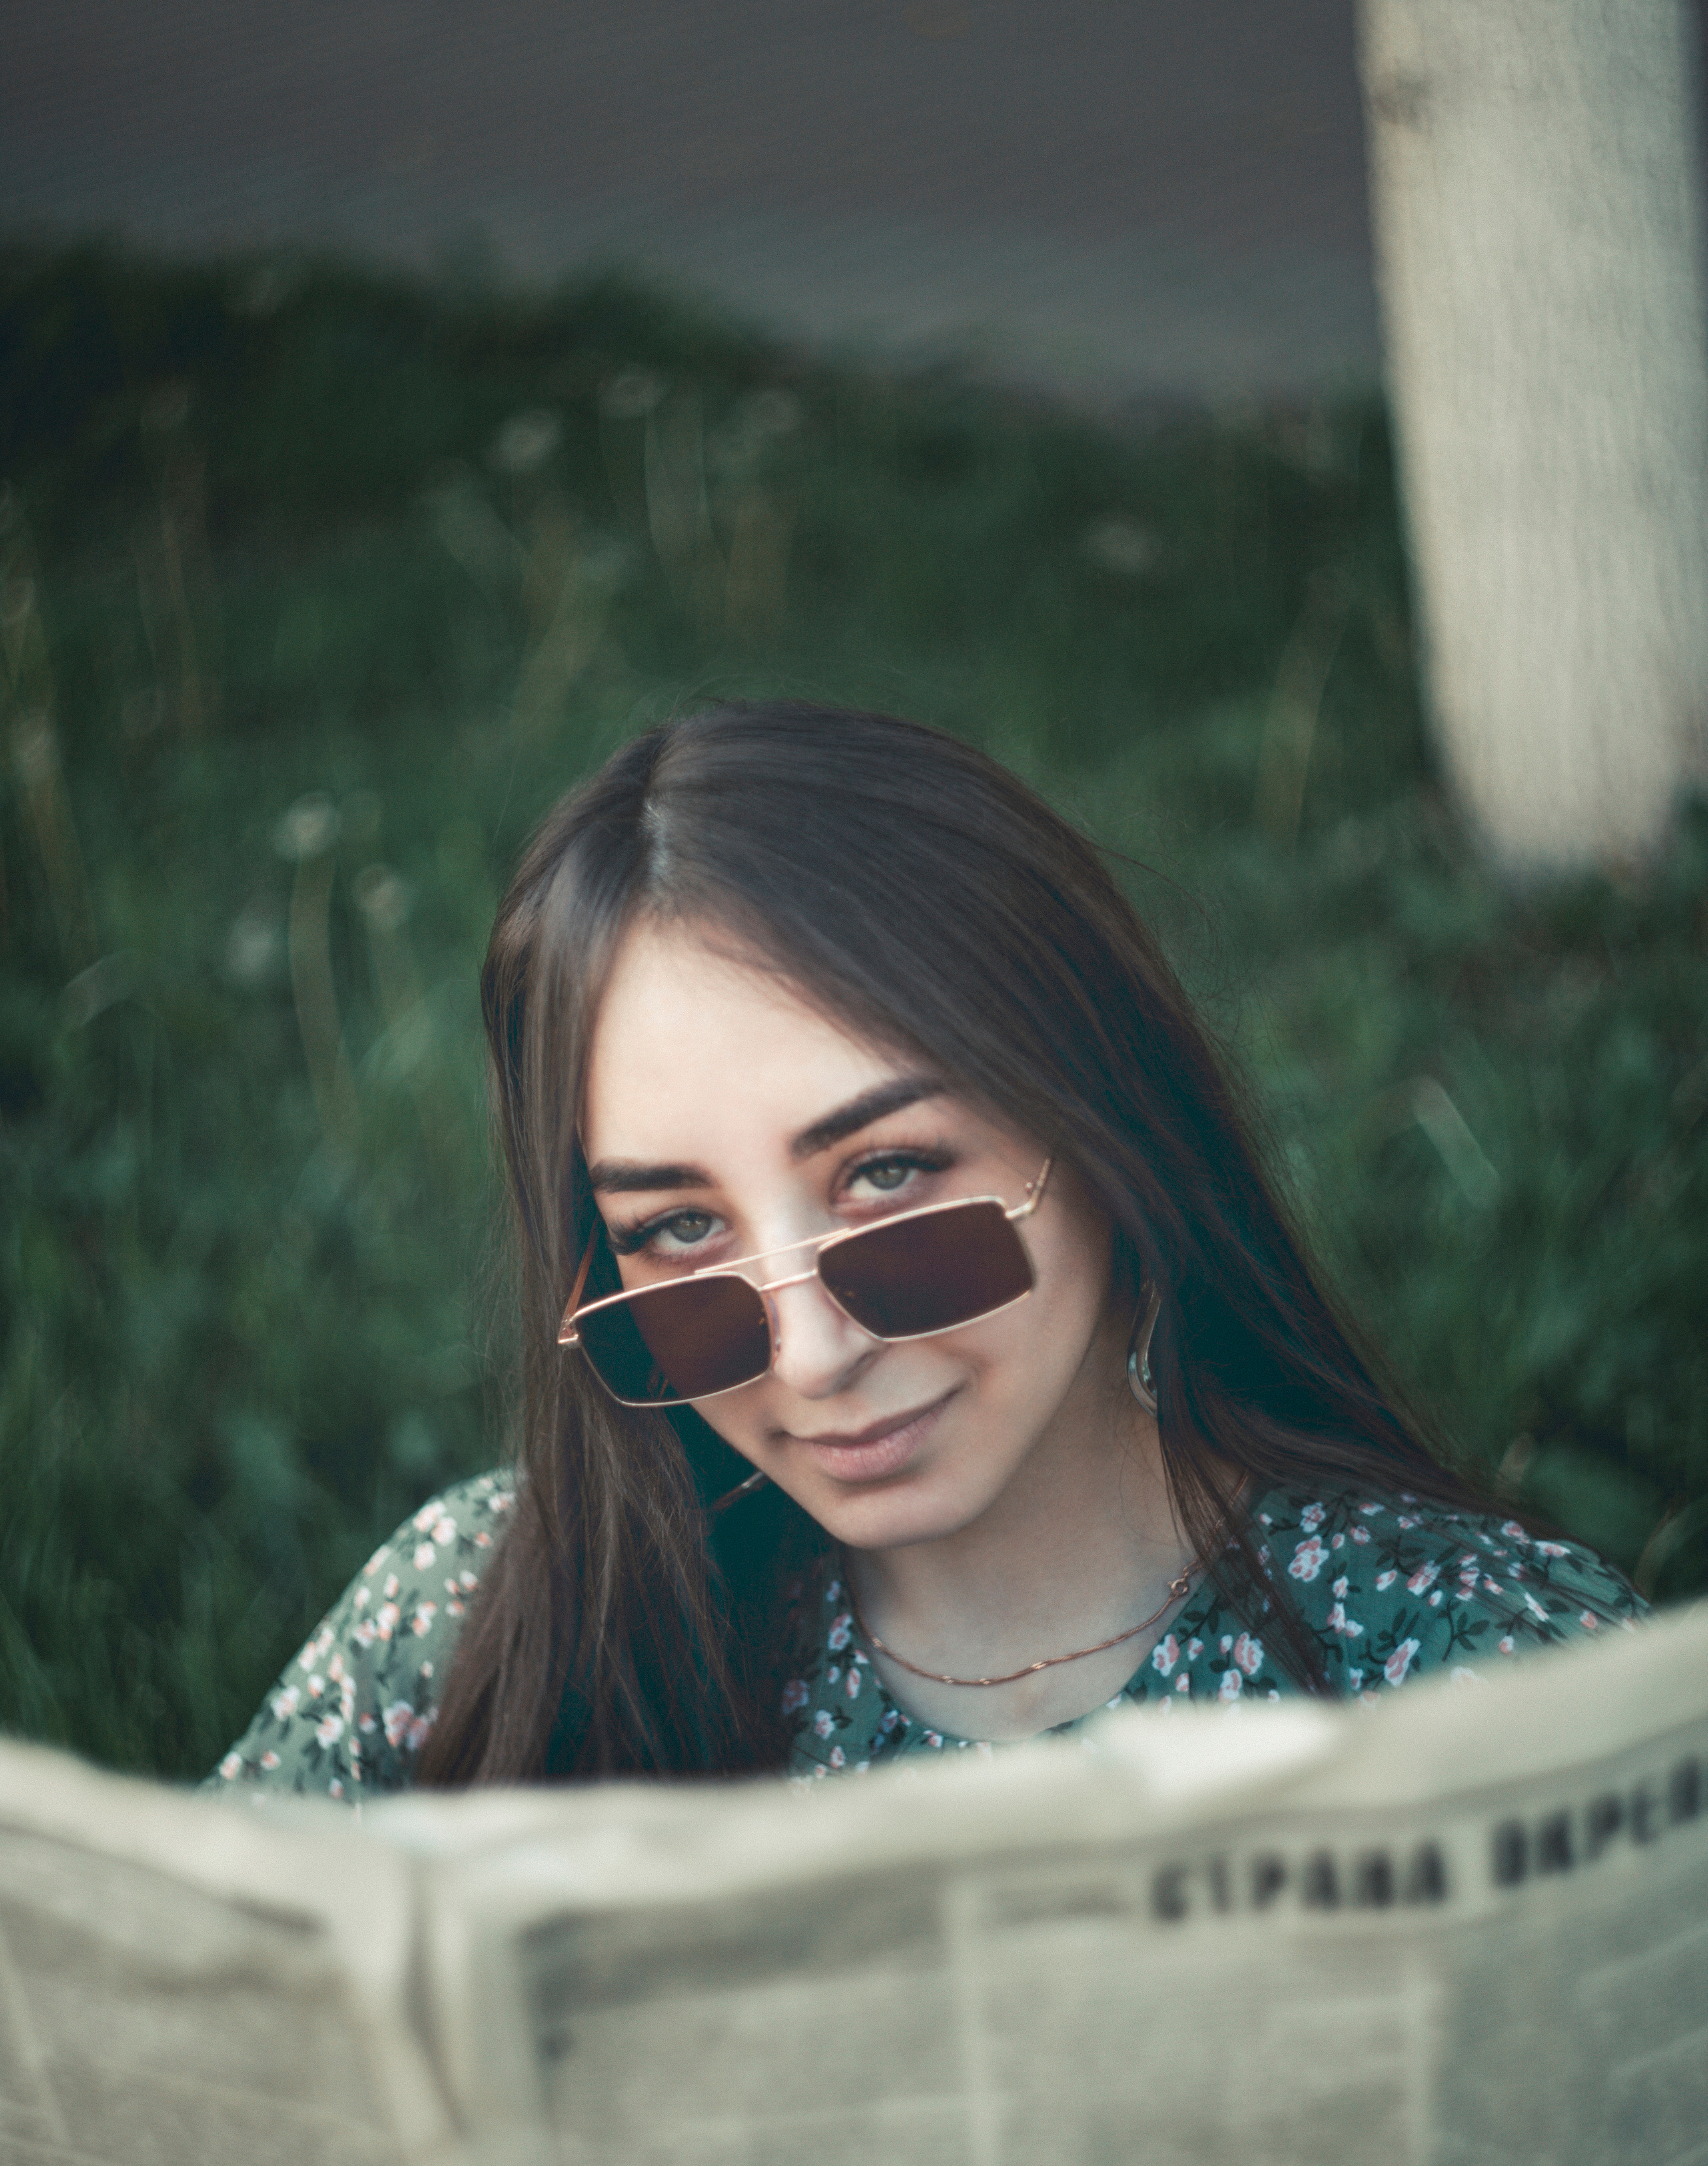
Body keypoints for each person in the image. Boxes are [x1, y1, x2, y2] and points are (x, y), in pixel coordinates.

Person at [210, 701, 1643, 1802]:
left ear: (1106, 1132)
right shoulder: (478, 1621)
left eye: (888, 1176)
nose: (813, 1356)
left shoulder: (1483, 1674)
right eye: (679, 1231)